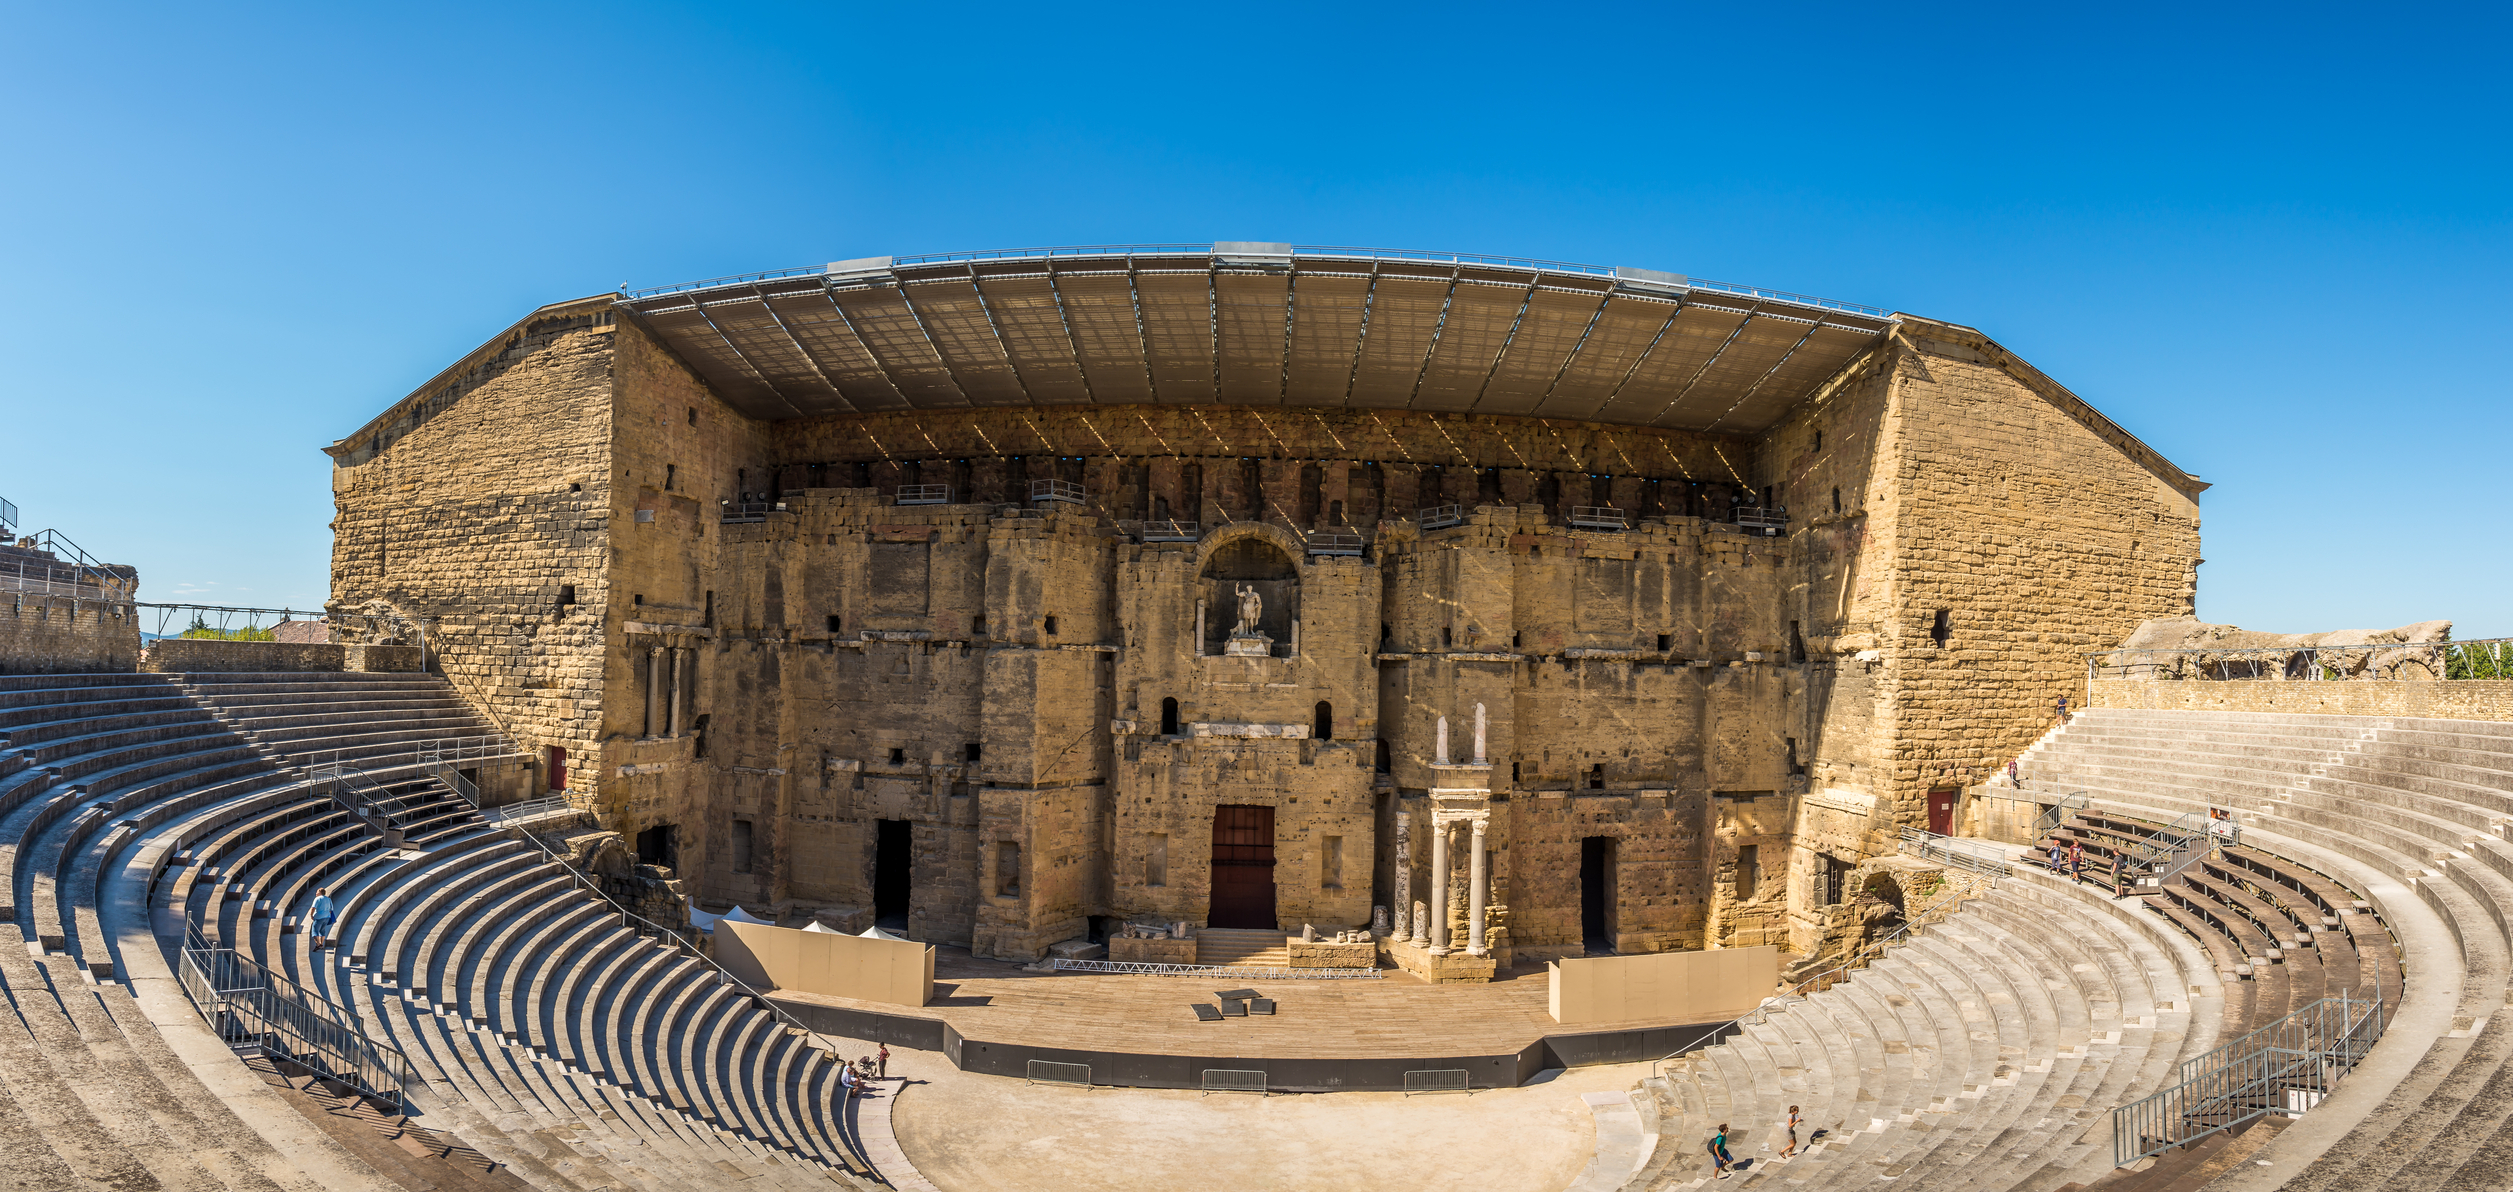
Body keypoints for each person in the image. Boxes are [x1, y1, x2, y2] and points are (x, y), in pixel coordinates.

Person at [309, 887, 337, 951]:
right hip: (327, 917)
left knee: (315, 931)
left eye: (317, 892)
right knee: (322, 930)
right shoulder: (328, 899)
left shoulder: (317, 899)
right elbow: (331, 909)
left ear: (320, 892)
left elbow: (313, 908)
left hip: (318, 917)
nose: (316, 893)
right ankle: (321, 944)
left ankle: (318, 944)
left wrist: (311, 915)